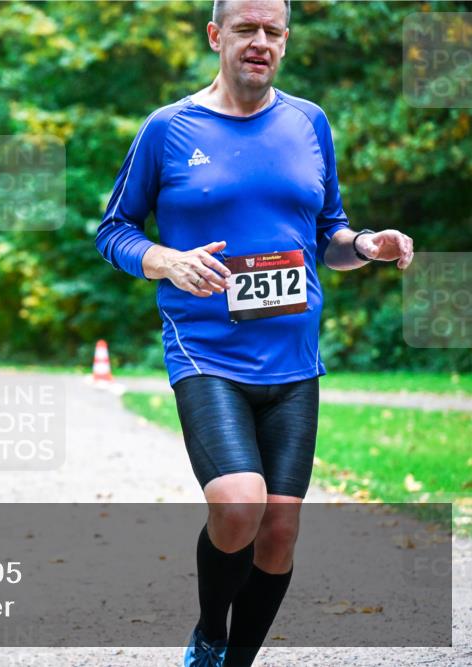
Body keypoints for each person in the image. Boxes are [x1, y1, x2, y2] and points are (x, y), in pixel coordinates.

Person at [94, 1, 414, 665]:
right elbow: (113, 230)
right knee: (239, 505)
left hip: (294, 360)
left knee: (280, 530)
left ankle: (237, 659)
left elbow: (330, 233)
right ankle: (211, 634)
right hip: (206, 352)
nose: (259, 42)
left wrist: (368, 244)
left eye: (273, 31)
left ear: (286, 41)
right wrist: (167, 261)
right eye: (246, 29)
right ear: (217, 36)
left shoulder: (309, 123)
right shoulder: (169, 128)